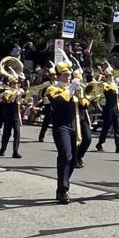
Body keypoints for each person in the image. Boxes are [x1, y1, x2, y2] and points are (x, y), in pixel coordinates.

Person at [46, 62, 80, 204]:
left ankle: (63, 183)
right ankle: (62, 189)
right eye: (65, 74)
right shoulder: (52, 89)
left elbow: (84, 105)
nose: (68, 77)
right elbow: (57, 102)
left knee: (73, 159)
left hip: (74, 126)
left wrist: (82, 93)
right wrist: (71, 89)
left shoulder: (72, 89)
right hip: (61, 126)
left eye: (69, 75)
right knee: (65, 154)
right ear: (59, 75)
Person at [96, 67, 119, 153]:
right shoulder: (105, 85)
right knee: (106, 127)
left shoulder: (115, 85)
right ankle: (100, 143)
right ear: (106, 77)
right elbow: (102, 90)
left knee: (117, 127)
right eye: (109, 76)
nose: (111, 77)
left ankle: (118, 146)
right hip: (108, 108)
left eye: (112, 75)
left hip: (116, 109)